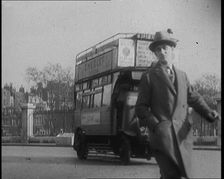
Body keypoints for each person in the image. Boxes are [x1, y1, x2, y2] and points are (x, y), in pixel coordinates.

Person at [135, 29, 220, 179]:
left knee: (181, 174)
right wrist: (156, 125)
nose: (162, 52)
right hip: (163, 137)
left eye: (165, 48)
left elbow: (194, 98)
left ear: (172, 49)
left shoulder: (182, 75)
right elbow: (141, 108)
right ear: (155, 53)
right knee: (171, 174)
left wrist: (208, 112)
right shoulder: (148, 77)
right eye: (158, 50)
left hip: (182, 136)